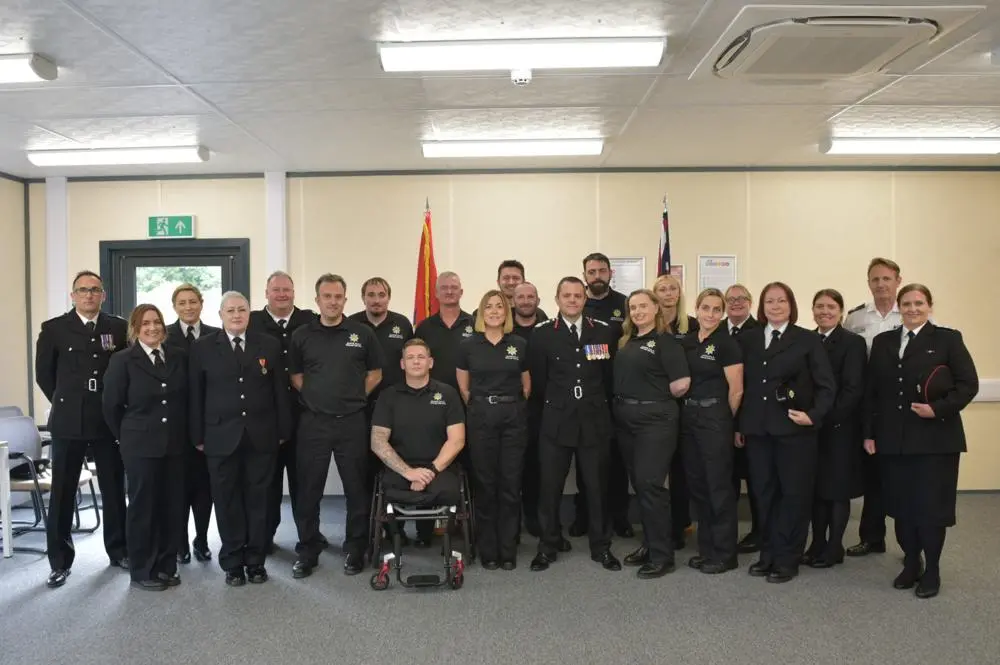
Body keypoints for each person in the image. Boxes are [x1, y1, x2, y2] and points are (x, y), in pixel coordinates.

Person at [864, 284, 978, 599]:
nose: (913, 308)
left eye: (919, 303)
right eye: (908, 303)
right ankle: (911, 562)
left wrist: (937, 408)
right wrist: (869, 433)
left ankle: (933, 569)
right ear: (899, 307)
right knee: (900, 507)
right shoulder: (883, 341)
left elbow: (969, 384)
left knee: (930, 508)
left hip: (936, 441)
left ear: (929, 306)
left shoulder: (947, 339)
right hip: (893, 441)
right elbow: (872, 393)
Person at [735, 282, 836, 584]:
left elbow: (827, 386)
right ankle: (768, 554)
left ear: (791, 305)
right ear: (761, 306)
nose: (775, 306)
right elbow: (742, 387)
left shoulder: (806, 340)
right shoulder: (749, 339)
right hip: (757, 431)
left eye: (781, 301)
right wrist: (740, 426)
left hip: (794, 432)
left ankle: (787, 558)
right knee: (763, 494)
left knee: (793, 496)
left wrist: (813, 416)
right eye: (769, 301)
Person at [189, 291, 292, 586]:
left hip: (262, 436)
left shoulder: (268, 345)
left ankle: (256, 561)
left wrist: (283, 431)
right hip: (219, 438)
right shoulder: (203, 347)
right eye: (231, 310)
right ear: (220, 314)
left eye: (242, 310)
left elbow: (279, 392)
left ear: (250, 313)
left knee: (259, 500)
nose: (237, 315)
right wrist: (197, 435)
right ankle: (233, 561)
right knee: (227, 501)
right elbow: (196, 395)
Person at [35, 270, 129, 589]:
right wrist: (65, 402)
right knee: (62, 492)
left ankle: (119, 551)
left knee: (115, 489)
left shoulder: (117, 327)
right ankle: (60, 561)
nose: (89, 295)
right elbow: (44, 376)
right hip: (69, 422)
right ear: (72, 296)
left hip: (106, 421)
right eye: (82, 290)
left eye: (95, 290)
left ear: (103, 295)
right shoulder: (54, 329)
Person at [289, 274, 383, 578]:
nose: (332, 301)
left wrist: (354, 397)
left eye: (338, 296)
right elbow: (296, 376)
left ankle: (355, 547)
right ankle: (307, 549)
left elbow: (376, 374)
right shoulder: (302, 334)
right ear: (317, 300)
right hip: (313, 423)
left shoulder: (362, 333)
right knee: (308, 489)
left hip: (352, 422)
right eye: (326, 296)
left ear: (345, 299)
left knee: (356, 488)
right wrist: (318, 399)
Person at [529, 277, 621, 573]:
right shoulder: (542, 334)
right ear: (556, 299)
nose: (572, 300)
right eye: (566, 295)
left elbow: (608, 378)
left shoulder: (604, 331)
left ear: (585, 299)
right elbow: (540, 382)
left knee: (597, 487)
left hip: (594, 421)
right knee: (550, 488)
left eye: (577, 295)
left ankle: (601, 547)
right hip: (556, 421)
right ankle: (548, 546)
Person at [103, 304, 188, 591]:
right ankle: (142, 570)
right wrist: (127, 437)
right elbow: (111, 406)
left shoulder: (176, 356)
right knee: (143, 508)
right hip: (139, 446)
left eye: (157, 322)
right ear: (135, 328)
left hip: (175, 445)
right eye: (146, 323)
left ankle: (166, 565)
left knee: (171, 507)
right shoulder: (123, 360)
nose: (152, 328)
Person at [613, 289, 690, 579]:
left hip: (655, 420)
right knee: (641, 486)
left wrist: (652, 396)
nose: (638, 311)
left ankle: (662, 555)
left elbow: (681, 384)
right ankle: (649, 543)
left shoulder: (665, 341)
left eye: (643, 306)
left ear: (656, 308)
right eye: (633, 307)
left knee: (651, 485)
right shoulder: (628, 340)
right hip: (626, 420)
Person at [456, 290, 530, 570]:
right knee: (486, 485)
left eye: (500, 306)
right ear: (481, 312)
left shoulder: (519, 344)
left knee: (510, 484)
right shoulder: (468, 345)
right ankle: (488, 549)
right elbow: (463, 387)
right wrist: (483, 406)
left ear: (507, 312)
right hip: (482, 418)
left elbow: (526, 385)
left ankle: (507, 550)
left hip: (513, 418)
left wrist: (510, 406)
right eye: (489, 306)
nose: (495, 311)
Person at [247, 270, 319, 552]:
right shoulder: (252, 322)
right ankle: (265, 536)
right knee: (268, 483)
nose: (281, 295)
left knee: (305, 483)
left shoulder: (309, 320)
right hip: (266, 417)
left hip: (305, 415)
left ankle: (308, 536)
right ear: (266, 293)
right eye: (275, 290)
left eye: (286, 290)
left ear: (293, 293)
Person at [679, 288, 743, 574]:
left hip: (715, 417)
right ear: (697, 308)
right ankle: (707, 550)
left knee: (718, 487)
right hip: (689, 416)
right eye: (706, 308)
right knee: (699, 486)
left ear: (723, 313)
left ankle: (725, 553)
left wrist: (724, 420)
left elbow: (737, 389)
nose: (711, 314)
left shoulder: (727, 343)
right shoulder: (689, 341)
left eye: (717, 309)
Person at [802, 289, 867, 569]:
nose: (824, 311)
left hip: (839, 427)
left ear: (841, 312)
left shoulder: (852, 343)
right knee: (816, 490)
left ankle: (834, 546)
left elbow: (852, 389)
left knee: (836, 489)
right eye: (819, 306)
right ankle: (816, 542)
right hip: (810, 428)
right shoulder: (805, 339)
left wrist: (822, 417)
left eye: (830, 307)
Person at [844, 257, 903, 558]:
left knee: (900, 473)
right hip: (863, 402)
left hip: (896, 403)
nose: (880, 284)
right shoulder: (855, 319)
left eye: (886, 279)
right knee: (869, 472)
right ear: (868, 283)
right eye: (875, 279)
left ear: (898, 281)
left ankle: (910, 540)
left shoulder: (908, 313)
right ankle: (872, 537)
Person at [370, 339, 466, 523]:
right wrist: (408, 472)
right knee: (391, 490)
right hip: (399, 468)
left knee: (447, 492)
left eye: (421, 357)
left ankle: (429, 535)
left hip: (439, 467)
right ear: (402, 364)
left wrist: (429, 472)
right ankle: (397, 537)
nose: (416, 361)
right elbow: (378, 441)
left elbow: (457, 440)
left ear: (430, 362)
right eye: (410, 357)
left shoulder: (448, 394)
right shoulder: (388, 396)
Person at [349, 277, 414, 539]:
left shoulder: (402, 324)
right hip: (360, 407)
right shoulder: (351, 324)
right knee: (362, 470)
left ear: (389, 297)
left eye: (381, 294)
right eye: (371, 294)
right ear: (363, 297)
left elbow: (411, 360)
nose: (376, 299)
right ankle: (366, 530)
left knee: (393, 465)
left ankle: (395, 528)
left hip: (397, 408)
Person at [165, 283, 220, 564]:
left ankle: (201, 539)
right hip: (174, 424)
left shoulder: (216, 335)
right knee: (177, 488)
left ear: (201, 303)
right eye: (182, 303)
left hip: (209, 423)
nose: (188, 307)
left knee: (203, 487)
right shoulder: (164, 336)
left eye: (192, 302)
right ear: (175, 307)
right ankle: (179, 543)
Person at [578, 252, 631, 539]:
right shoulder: (578, 304)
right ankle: (584, 516)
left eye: (601, 271)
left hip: (618, 392)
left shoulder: (625, 304)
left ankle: (620, 517)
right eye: (591, 271)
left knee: (617, 461)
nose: (596, 276)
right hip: (586, 394)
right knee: (588, 459)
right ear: (584, 275)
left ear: (611, 273)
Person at [653, 273, 697, 548]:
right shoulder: (647, 324)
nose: (668, 293)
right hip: (655, 405)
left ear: (679, 294)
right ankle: (657, 525)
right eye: (662, 289)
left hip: (685, 404)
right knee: (658, 468)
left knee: (680, 469)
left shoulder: (691, 325)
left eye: (673, 289)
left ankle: (681, 523)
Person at [511, 282, 549, 538]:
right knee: (511, 466)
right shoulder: (502, 328)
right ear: (512, 300)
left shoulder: (548, 329)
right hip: (509, 408)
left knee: (537, 465)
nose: (525, 301)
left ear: (538, 299)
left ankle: (534, 517)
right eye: (520, 297)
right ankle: (510, 521)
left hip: (541, 408)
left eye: (530, 296)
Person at [725, 283, 761, 553]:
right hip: (719, 417)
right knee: (727, 479)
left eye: (741, 299)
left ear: (750, 302)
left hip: (750, 417)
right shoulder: (715, 330)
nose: (736, 303)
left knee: (756, 479)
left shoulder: (760, 332)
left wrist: (744, 421)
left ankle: (759, 531)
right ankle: (727, 531)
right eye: (731, 299)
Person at [413, 271, 474, 391]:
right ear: (436, 293)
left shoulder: (475, 324)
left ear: (461, 292)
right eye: (444, 288)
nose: (449, 292)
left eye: (454, 288)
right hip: (433, 396)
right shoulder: (424, 328)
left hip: (468, 395)